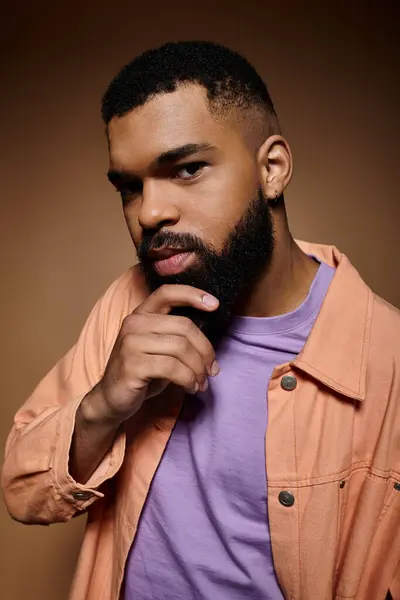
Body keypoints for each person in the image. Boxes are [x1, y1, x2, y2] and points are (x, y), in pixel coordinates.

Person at [2, 40, 400, 600]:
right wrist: (102, 406)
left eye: (187, 169)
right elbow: (23, 493)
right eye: (129, 187)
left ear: (273, 169)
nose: (149, 212)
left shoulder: (386, 361)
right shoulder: (128, 302)